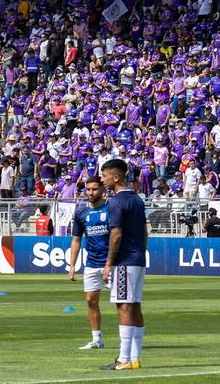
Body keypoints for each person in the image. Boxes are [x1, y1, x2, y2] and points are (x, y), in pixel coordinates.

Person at [99, 159, 147, 371]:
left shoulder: (115, 202)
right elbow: (145, 231)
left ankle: (124, 358)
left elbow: (116, 234)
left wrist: (109, 263)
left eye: (105, 175)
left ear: (116, 177)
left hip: (124, 261)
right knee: (135, 305)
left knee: (123, 306)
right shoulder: (137, 200)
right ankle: (134, 358)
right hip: (137, 259)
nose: (103, 180)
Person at [68, 176, 109, 350]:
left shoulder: (112, 208)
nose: (91, 192)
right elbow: (76, 239)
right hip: (92, 263)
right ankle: (96, 339)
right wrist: (72, 265)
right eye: (88, 189)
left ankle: (128, 338)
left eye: (94, 189)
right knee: (91, 300)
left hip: (112, 263)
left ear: (103, 190)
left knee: (123, 303)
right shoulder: (81, 212)